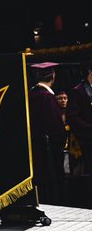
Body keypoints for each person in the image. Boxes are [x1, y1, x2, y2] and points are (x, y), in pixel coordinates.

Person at [30, 62, 67, 204]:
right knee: (51, 184)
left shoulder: (31, 94)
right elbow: (56, 128)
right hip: (48, 150)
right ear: (53, 76)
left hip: (35, 148)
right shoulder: (47, 97)